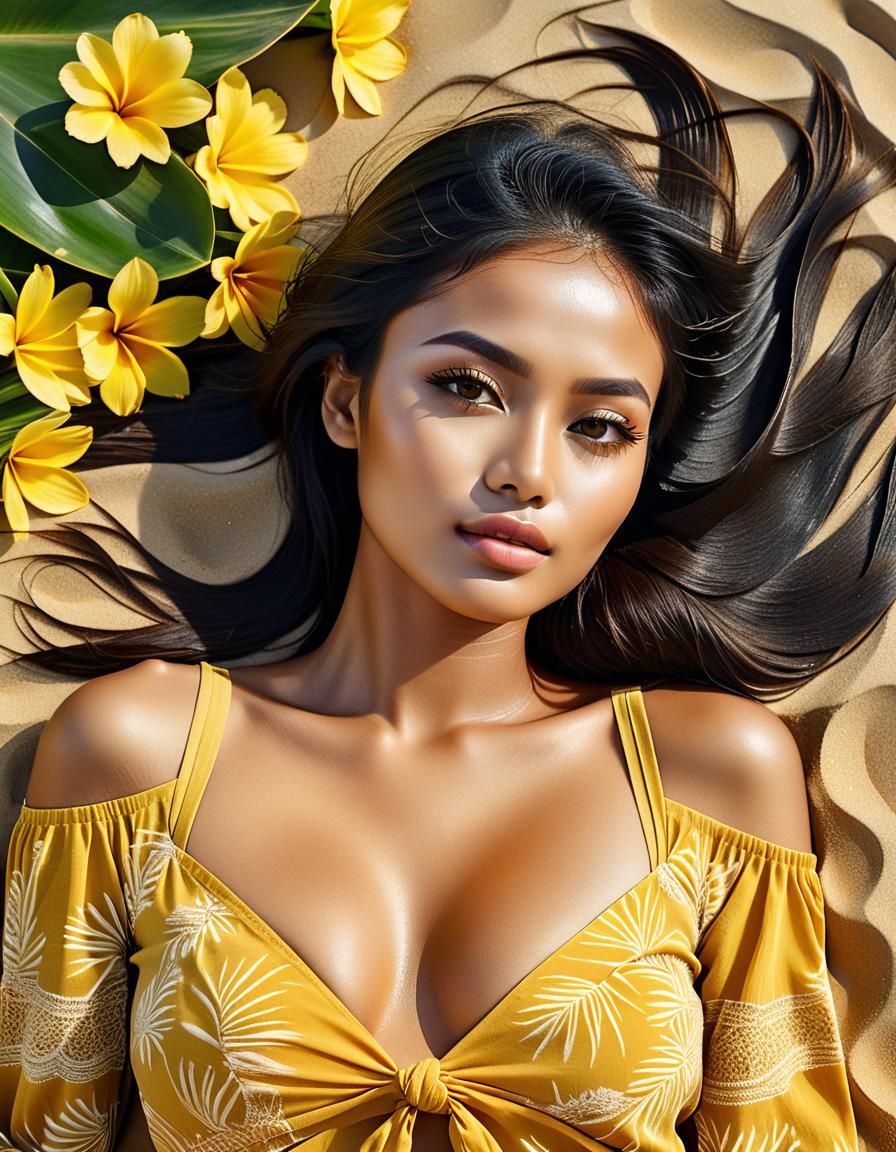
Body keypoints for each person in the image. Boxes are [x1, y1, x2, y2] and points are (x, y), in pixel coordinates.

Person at [1, 25, 890, 1152]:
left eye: (599, 427)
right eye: (467, 386)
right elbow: (41, 1134)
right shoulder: (136, 754)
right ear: (343, 403)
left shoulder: (707, 779)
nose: (527, 469)